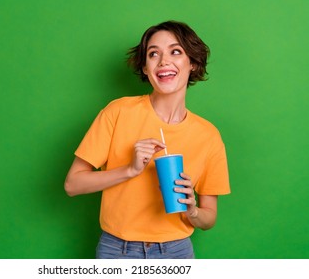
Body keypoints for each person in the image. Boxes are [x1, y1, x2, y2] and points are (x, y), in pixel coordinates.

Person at [64, 20, 230, 259]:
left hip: (176, 251)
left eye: (176, 51)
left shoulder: (208, 135)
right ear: (145, 67)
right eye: (154, 54)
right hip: (116, 250)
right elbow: (72, 185)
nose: (164, 61)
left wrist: (192, 210)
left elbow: (209, 218)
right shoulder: (118, 112)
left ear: (192, 63)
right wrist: (129, 170)